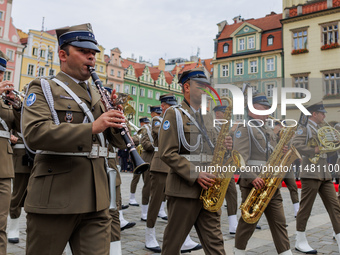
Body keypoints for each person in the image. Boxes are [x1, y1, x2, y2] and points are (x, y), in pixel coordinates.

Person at [22, 23, 126, 255]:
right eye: (83, 51)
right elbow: (35, 133)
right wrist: (92, 127)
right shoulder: (43, 88)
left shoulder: (99, 94)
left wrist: (117, 119)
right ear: (63, 54)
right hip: (56, 196)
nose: (91, 57)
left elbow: (116, 143)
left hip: (97, 198)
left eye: (94, 53)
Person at [159, 68, 232, 255]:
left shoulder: (208, 117)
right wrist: (195, 173)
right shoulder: (174, 114)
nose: (206, 90)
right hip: (184, 189)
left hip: (209, 189)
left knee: (215, 243)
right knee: (173, 244)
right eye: (201, 86)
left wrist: (225, 146)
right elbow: (167, 153)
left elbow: (213, 151)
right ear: (186, 87)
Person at [233, 92, 292, 255]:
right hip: (254, 183)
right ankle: (238, 252)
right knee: (248, 223)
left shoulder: (269, 130)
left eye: (268, 108)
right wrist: (253, 177)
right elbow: (239, 159)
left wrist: (282, 152)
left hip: (271, 184)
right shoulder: (245, 128)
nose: (267, 111)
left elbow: (271, 155)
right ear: (251, 109)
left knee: (280, 223)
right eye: (264, 108)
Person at [145, 97, 202, 253]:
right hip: (160, 166)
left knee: (178, 208)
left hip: (178, 165)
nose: (172, 107)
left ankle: (184, 239)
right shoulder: (159, 120)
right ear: (163, 106)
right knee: (155, 201)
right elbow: (161, 133)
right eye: (169, 105)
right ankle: (149, 234)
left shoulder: (183, 116)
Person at [291, 101, 340, 253]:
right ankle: (300, 239)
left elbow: (328, 151)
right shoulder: (304, 129)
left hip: (324, 172)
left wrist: (334, 145)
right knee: (306, 208)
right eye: (322, 113)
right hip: (310, 172)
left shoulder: (322, 129)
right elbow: (295, 144)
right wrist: (314, 149)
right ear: (314, 114)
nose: (324, 115)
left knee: (335, 207)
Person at [0, 51, 20, 255]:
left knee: (0, 225)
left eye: (2, 72)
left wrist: (17, 107)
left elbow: (22, 129)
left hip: (4, 169)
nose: (0, 77)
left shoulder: (4, 100)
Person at [213, 105, 239, 235]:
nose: (227, 116)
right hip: (216, 165)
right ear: (218, 114)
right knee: (215, 195)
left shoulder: (225, 127)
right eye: (225, 113)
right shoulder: (212, 127)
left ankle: (233, 223)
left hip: (226, 165)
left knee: (232, 193)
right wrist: (232, 131)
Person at [273, 120, 300, 217]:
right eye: (280, 126)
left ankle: (297, 211)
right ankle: (277, 214)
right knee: (276, 190)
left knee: (293, 187)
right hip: (277, 166)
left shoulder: (288, 138)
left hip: (287, 166)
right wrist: (275, 134)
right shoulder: (273, 136)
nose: (282, 128)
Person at [128, 117, 151, 208]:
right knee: (135, 179)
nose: (146, 124)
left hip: (146, 159)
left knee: (147, 181)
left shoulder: (148, 132)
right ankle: (132, 197)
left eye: (147, 122)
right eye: (145, 123)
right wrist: (141, 137)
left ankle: (145, 201)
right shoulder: (137, 133)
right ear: (141, 123)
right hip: (137, 159)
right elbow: (134, 141)